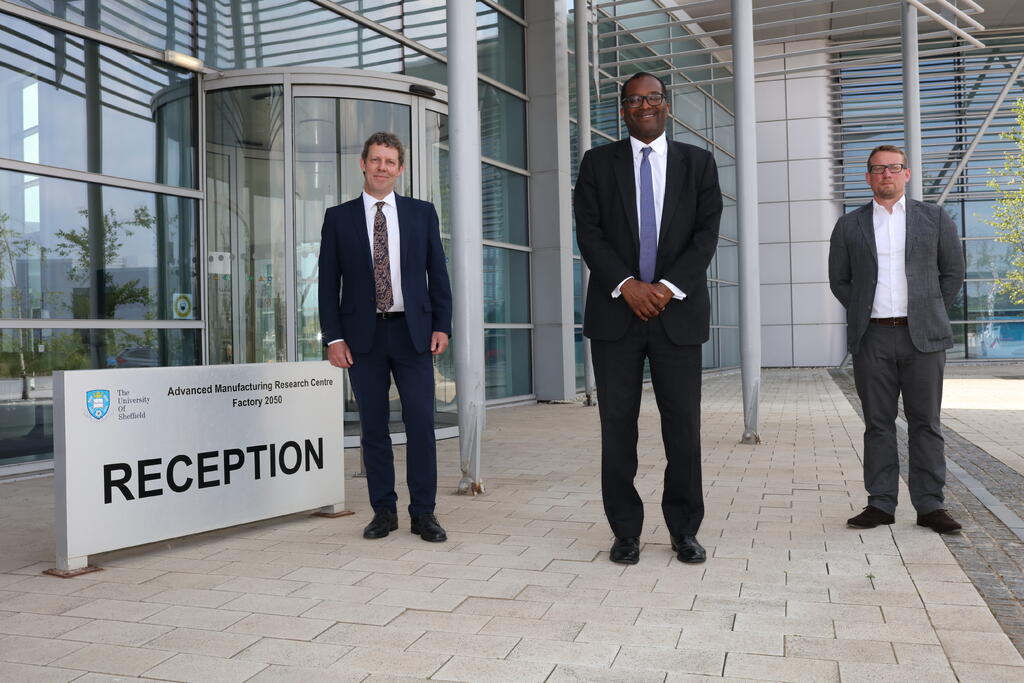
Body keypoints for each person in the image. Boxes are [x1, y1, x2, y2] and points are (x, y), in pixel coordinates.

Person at [574, 72, 722, 565]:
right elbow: (589, 233)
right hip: (616, 314)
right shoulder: (597, 163)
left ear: (666, 105)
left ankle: (684, 531)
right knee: (618, 428)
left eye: (653, 98)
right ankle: (625, 532)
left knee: (683, 429)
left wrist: (664, 288)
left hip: (676, 314)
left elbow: (706, 234)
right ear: (623, 109)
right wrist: (627, 285)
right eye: (634, 99)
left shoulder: (698, 163)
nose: (644, 106)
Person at [318, 131, 453, 542]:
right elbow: (327, 284)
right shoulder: (338, 218)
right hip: (363, 338)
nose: (382, 167)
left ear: (400, 169)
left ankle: (423, 513)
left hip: (413, 334)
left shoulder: (421, 213)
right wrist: (333, 338)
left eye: (389, 162)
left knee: (420, 425)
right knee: (373, 427)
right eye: (375, 160)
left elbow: (438, 274)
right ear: (363, 163)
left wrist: (442, 324)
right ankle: (384, 512)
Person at [828, 144, 965, 534]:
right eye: (878, 169)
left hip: (922, 337)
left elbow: (952, 274)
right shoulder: (849, 225)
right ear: (868, 177)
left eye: (893, 168)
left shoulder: (934, 218)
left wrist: (928, 309)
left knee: (926, 422)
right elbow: (840, 279)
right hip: (872, 337)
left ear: (906, 174)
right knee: (878, 424)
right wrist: (861, 311)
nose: (886, 174)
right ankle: (881, 503)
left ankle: (930, 506)